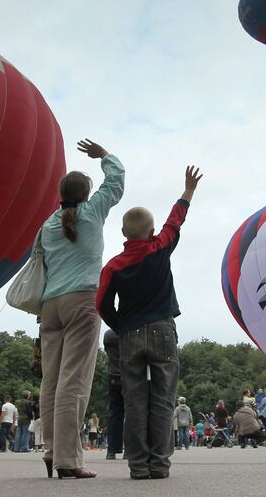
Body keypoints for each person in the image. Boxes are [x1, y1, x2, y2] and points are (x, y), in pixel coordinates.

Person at [98, 166, 202, 480]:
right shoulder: (159, 249)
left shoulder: (114, 266)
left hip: (129, 334)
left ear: (122, 233)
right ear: (151, 230)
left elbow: (101, 303)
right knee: (162, 400)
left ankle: (138, 466)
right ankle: (160, 464)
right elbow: (175, 222)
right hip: (162, 331)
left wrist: (121, 325)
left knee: (134, 402)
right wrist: (188, 191)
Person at [40, 139, 125, 480]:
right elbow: (116, 180)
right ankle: (68, 460)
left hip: (50, 307)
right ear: (86, 194)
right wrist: (104, 156)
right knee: (73, 382)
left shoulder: (47, 225)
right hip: (81, 301)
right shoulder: (92, 213)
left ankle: (50, 451)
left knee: (51, 381)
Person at [103, 329, 124, 460]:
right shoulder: (127, 333)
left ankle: (112, 450)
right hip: (129, 374)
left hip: (113, 375)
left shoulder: (108, 335)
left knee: (115, 413)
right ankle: (131, 448)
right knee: (133, 413)